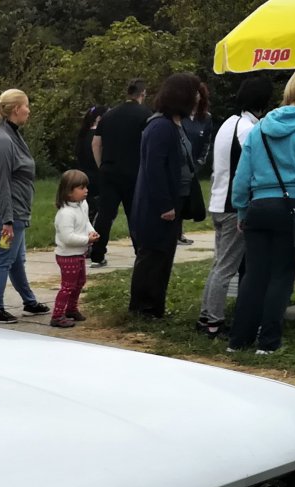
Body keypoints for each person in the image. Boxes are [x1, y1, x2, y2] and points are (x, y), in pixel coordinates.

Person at [227, 65, 295, 355]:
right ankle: (268, 342)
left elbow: (241, 178)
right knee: (282, 275)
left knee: (254, 275)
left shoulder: (260, 127)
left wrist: (241, 211)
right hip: (293, 206)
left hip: (258, 205)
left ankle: (238, 340)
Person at [196, 75, 273, 338]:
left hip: (218, 201)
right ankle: (214, 323)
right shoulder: (249, 129)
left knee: (219, 263)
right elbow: (252, 169)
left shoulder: (229, 123)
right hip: (233, 206)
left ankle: (206, 315)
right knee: (227, 267)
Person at [127, 73, 201, 319]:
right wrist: (164, 204)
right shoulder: (160, 126)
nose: (198, 97)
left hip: (173, 200)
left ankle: (155, 305)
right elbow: (154, 168)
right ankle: (143, 308)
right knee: (153, 255)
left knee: (163, 256)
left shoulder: (175, 124)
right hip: (157, 206)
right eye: (194, 92)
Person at [0, 88, 46, 323]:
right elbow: (1, 183)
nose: (29, 111)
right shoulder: (2, 140)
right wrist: (8, 220)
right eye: (26, 106)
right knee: (4, 259)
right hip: (7, 215)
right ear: (16, 109)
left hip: (16, 212)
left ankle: (29, 301)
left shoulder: (13, 134)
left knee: (16, 260)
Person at [89, 79, 151, 267]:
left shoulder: (109, 115)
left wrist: (102, 165)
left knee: (105, 214)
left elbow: (96, 143)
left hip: (109, 170)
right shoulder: (145, 114)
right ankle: (140, 251)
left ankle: (97, 254)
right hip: (134, 172)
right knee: (135, 213)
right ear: (143, 93)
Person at [51, 169, 97, 328]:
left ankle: (71, 309)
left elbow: (85, 222)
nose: (86, 191)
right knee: (67, 286)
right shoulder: (65, 214)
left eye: (86, 187)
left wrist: (91, 230)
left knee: (80, 282)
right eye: (81, 188)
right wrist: (87, 239)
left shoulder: (82, 205)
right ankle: (57, 316)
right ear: (69, 192)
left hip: (79, 253)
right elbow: (67, 238)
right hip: (67, 255)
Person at [178, 81, 212, 245]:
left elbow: (206, 141)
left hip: (195, 164)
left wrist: (200, 161)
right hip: (179, 164)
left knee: (190, 199)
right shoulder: (179, 116)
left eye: (197, 93)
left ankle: (180, 231)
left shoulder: (206, 118)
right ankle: (177, 231)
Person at [75, 105, 104, 223]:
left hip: (83, 175)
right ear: (99, 118)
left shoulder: (83, 135)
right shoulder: (96, 137)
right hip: (95, 178)